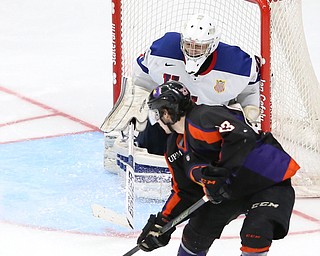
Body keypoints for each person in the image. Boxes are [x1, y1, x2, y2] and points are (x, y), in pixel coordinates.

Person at [136, 81, 300, 256]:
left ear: (167, 113)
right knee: (195, 235)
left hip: (268, 182)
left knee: (256, 232)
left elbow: (241, 135)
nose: (157, 120)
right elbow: (185, 192)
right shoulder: (174, 148)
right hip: (229, 193)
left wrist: (220, 172)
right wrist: (163, 222)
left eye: (156, 113)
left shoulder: (203, 117)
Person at [101, 13, 261, 156]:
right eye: (189, 45)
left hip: (209, 124)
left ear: (212, 45)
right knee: (155, 132)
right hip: (170, 118)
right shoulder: (163, 51)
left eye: (199, 46)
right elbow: (142, 74)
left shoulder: (236, 65)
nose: (192, 50)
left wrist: (250, 107)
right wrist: (140, 94)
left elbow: (252, 86)